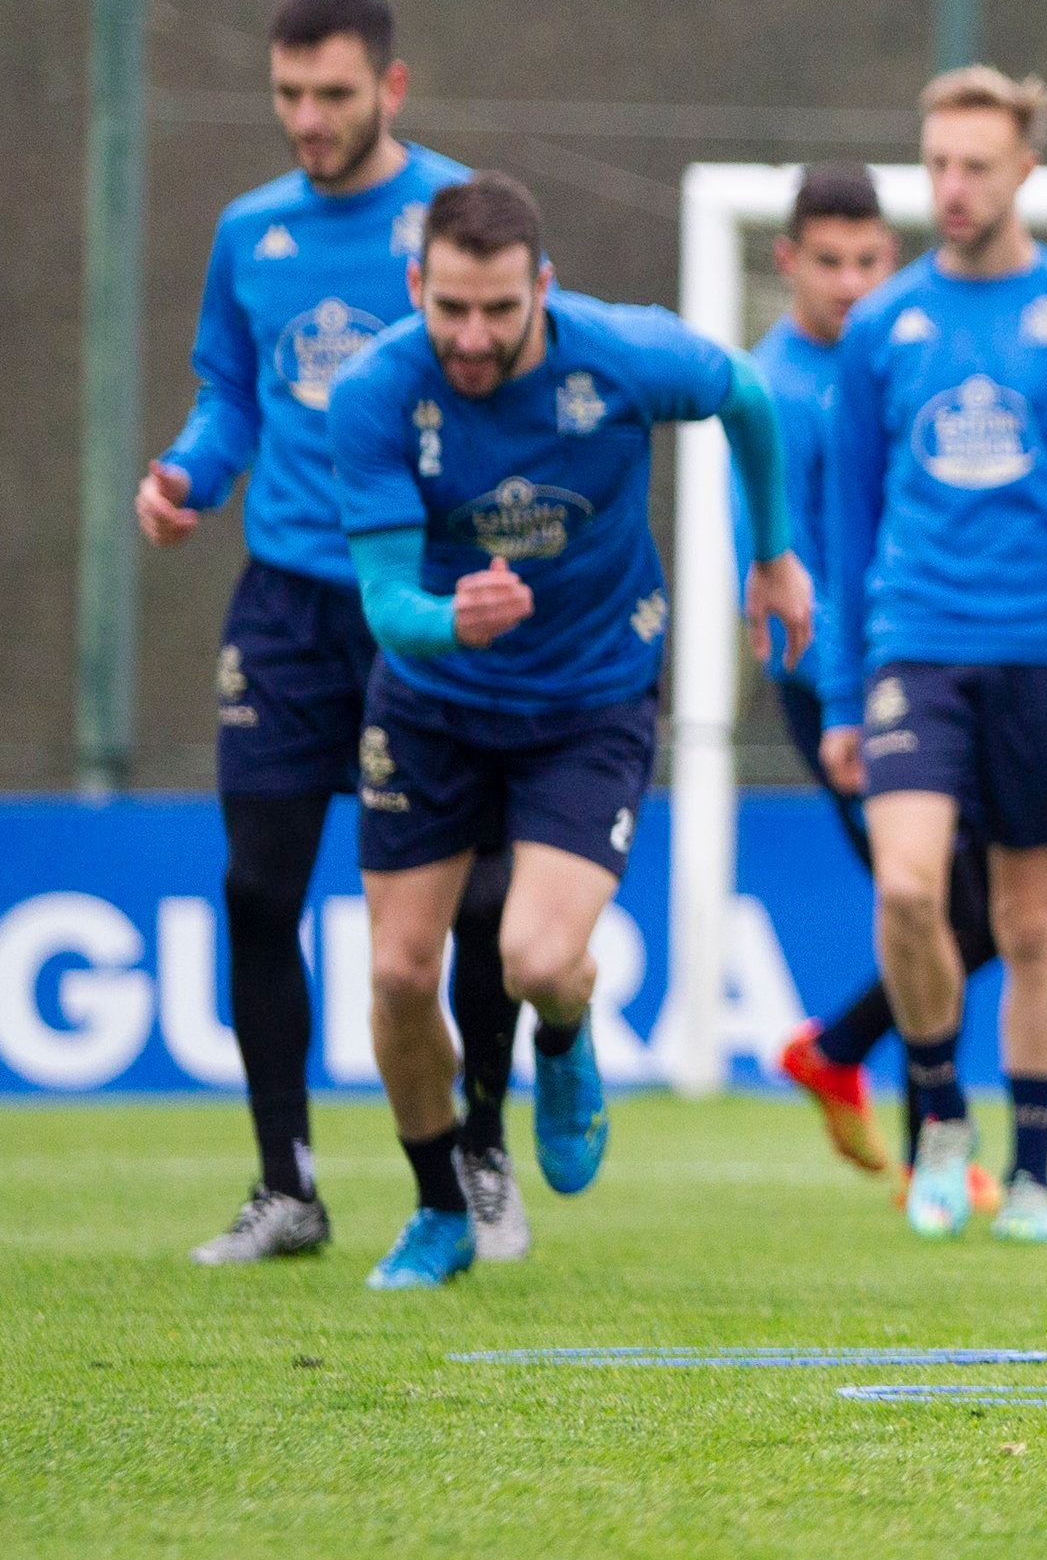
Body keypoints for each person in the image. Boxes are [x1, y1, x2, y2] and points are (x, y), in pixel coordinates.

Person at [325, 173, 809, 1289]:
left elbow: (748, 394)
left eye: (500, 309)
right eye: (450, 308)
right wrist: (452, 619)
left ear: (543, 287)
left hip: (590, 697)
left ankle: (563, 1035)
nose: (475, 335)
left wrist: (772, 550)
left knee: (539, 957)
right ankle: (441, 1206)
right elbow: (386, 602)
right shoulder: (373, 393)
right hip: (433, 701)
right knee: (399, 979)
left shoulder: (624, 356)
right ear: (416, 288)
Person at [147, 0, 528, 1267]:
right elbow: (227, 395)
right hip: (287, 602)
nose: (308, 119)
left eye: (334, 95)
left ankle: (479, 1155)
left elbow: (505, 404)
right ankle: (287, 1188)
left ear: (393, 89)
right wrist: (189, 475)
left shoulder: (457, 226)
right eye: (289, 95)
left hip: (420, 600)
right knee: (259, 887)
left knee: (477, 904)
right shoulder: (248, 232)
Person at [813, 69, 1047, 1246]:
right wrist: (837, 690)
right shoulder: (882, 328)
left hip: (1042, 658)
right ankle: (937, 1124)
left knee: (1028, 926)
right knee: (909, 886)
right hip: (916, 646)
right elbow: (845, 527)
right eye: (937, 166)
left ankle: (1028, 1173)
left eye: (976, 165)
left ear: (1024, 170)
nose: (953, 188)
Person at [746, 166, 1002, 1197]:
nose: (849, 282)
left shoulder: (904, 359)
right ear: (787, 262)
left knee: (961, 909)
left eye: (866, 260)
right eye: (828, 262)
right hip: (837, 682)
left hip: (931, 660)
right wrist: (849, 683)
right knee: (936, 906)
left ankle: (842, 1054)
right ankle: (934, 1144)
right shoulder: (771, 387)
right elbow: (777, 554)